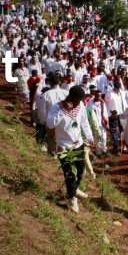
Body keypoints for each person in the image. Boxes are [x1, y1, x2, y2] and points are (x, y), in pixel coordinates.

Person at [46, 85, 97, 213]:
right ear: (70, 98)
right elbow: (50, 123)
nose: (78, 103)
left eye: (80, 101)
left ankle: (75, 189)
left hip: (78, 144)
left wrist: (90, 136)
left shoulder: (80, 106)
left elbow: (84, 122)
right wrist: (63, 111)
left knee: (80, 171)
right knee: (69, 174)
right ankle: (71, 197)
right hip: (64, 147)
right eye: (77, 100)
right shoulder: (57, 107)